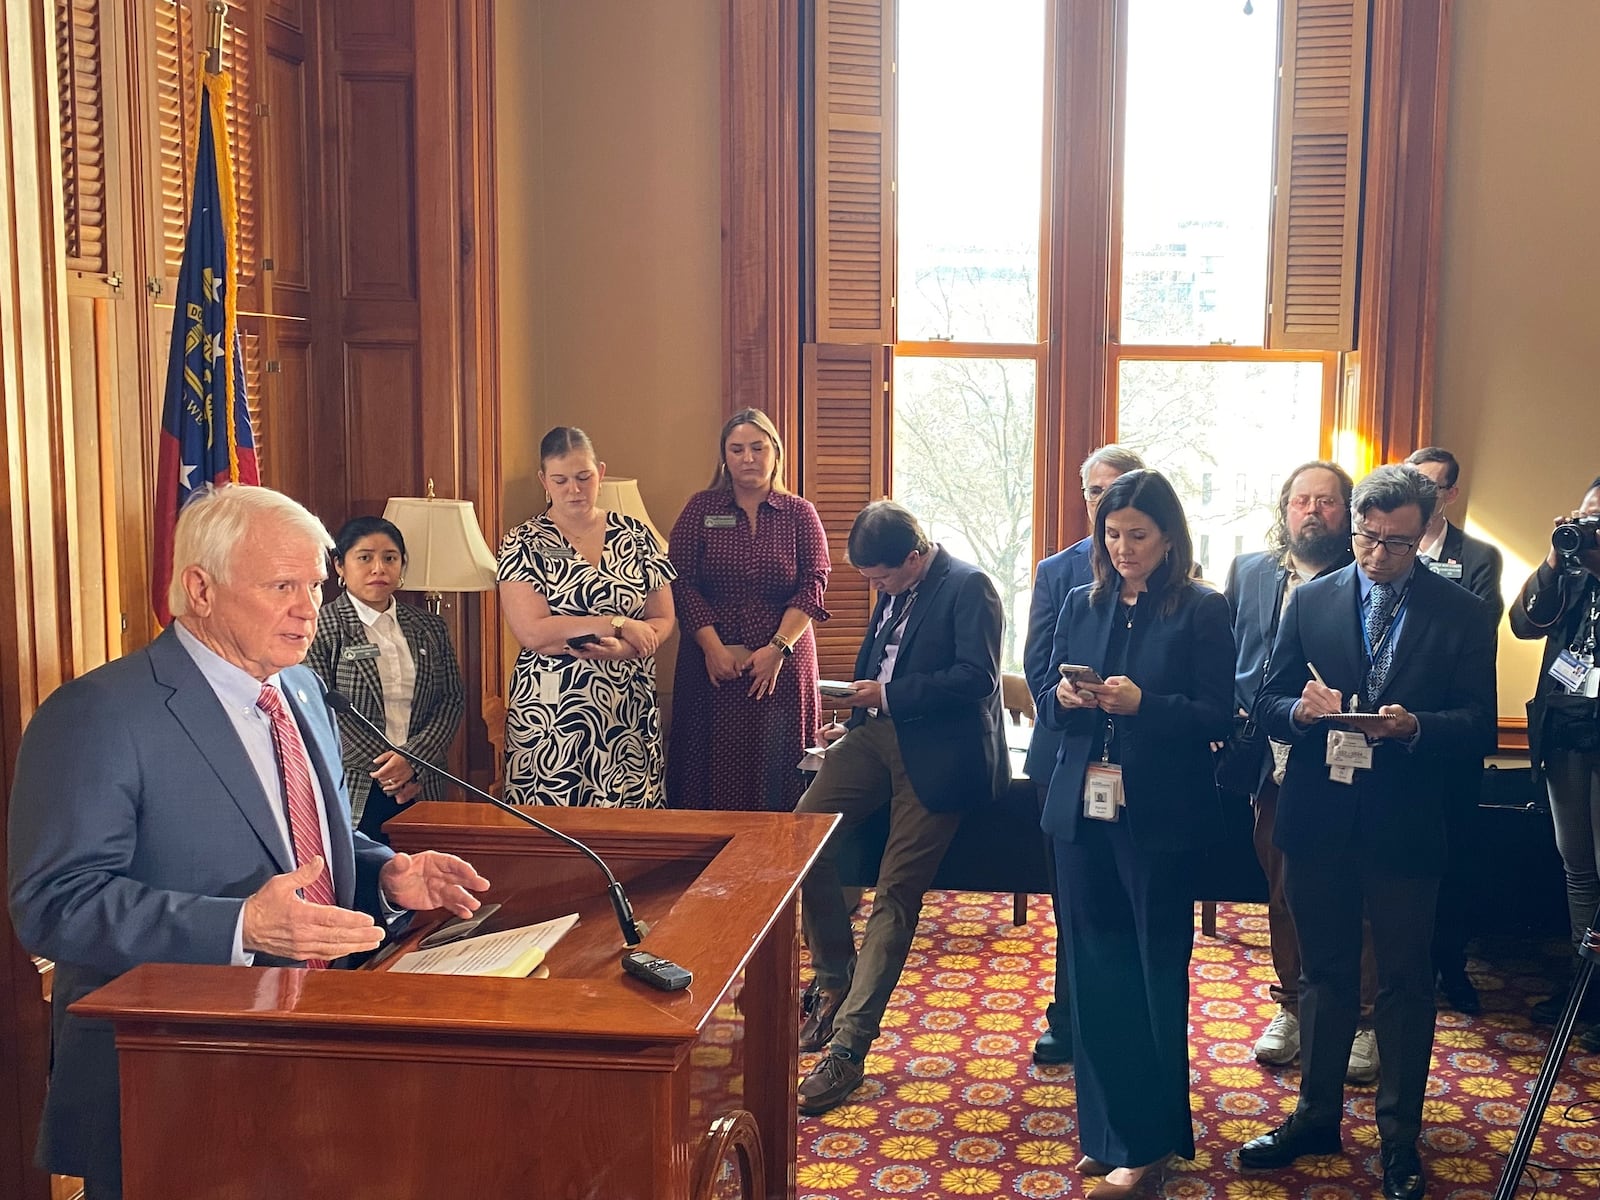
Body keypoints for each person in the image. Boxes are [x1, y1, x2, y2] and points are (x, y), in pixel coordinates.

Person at [7, 484, 490, 1199]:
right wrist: (238, 925)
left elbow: (301, 842)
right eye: (282, 586)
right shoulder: (100, 714)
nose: (309, 607)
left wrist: (387, 875)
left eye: (317, 585)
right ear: (200, 588)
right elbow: (53, 904)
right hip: (169, 1082)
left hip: (312, 1054)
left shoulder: (298, 689)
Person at [1238, 465, 1497, 1200]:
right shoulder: (1312, 597)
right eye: (1366, 537)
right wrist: (1300, 710)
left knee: (1405, 986)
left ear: (1424, 534)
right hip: (1320, 815)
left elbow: (1479, 720)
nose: (1377, 555)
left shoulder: (1461, 612)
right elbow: (1266, 697)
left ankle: (1398, 1139)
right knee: (1323, 975)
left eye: (1396, 543)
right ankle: (1315, 1116)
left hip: (1408, 821)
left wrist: (1416, 727)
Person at [1035, 469, 1233, 1198]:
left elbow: (1217, 714)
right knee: (1092, 974)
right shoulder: (1081, 602)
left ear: (1169, 536)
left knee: (1151, 974)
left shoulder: (1202, 610)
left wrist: (1145, 703)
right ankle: (1107, 1132)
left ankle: (1149, 1145)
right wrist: (1061, 697)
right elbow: (1052, 712)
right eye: (1112, 534)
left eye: (1138, 535)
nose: (1123, 547)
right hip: (1081, 813)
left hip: (1159, 818)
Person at [792, 501, 1007, 1115]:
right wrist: (855, 718)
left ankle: (849, 1050)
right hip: (876, 734)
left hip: (941, 753)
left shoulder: (971, 587)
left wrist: (885, 695)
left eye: (882, 577)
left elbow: (976, 679)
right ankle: (835, 976)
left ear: (914, 555)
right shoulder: (895, 584)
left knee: (894, 893)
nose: (876, 588)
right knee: (801, 837)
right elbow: (883, 659)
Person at [1224, 461, 1382, 1083]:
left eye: (1325, 501)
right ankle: (1290, 1006)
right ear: (1283, 509)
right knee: (1281, 885)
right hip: (1269, 750)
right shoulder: (1252, 571)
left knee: (1357, 892)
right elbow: (1230, 647)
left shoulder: (1364, 576)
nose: (1311, 511)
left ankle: (1364, 1021)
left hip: (1347, 754)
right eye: (1299, 501)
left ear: (1347, 512)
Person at [1022, 444, 1144, 1066]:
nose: (1103, 502)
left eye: (1116, 489)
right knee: (1074, 901)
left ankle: (1125, 1022)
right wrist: (1076, 694)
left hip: (1139, 760)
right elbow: (1037, 665)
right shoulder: (1056, 572)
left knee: (1128, 901)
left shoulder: (1168, 567)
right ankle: (1067, 1017)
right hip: (1068, 757)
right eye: (1094, 493)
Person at [497, 426, 677, 806]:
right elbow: (532, 631)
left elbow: (662, 619)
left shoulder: (637, 535)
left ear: (601, 472)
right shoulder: (523, 541)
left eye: (584, 477)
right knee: (554, 827)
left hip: (627, 705)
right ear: (543, 480)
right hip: (553, 713)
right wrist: (617, 622)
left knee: (631, 829)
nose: (574, 490)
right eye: (561, 480)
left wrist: (627, 648)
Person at [667, 408, 830, 810]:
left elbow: (814, 583)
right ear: (724, 457)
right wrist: (713, 648)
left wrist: (777, 648)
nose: (748, 458)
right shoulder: (701, 508)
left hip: (782, 666)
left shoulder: (800, 513)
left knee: (781, 774)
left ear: (775, 451)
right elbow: (680, 580)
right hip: (712, 668)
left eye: (757, 447)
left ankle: (783, 869)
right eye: (736, 449)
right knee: (708, 776)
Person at [1404, 447, 1505, 1015]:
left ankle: (1451, 963)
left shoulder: (1480, 556)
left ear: (1450, 495)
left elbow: (1473, 628)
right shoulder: (1373, 550)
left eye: (1431, 487)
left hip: (1452, 728)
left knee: (1454, 857)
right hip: (1389, 736)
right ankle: (1409, 962)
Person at [306, 516, 465, 843]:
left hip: (423, 784)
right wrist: (391, 771)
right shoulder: (320, 627)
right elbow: (323, 709)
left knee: (429, 883)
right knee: (363, 887)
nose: (378, 568)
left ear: (402, 565)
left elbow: (451, 700)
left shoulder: (429, 627)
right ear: (339, 565)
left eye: (390, 558)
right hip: (355, 785)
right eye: (364, 557)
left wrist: (412, 761)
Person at [1509, 474, 1600, 1046]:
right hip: (1567, 730)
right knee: (1578, 863)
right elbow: (1523, 623)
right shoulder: (1568, 572)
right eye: (1588, 519)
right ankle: (1584, 987)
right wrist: (1554, 557)